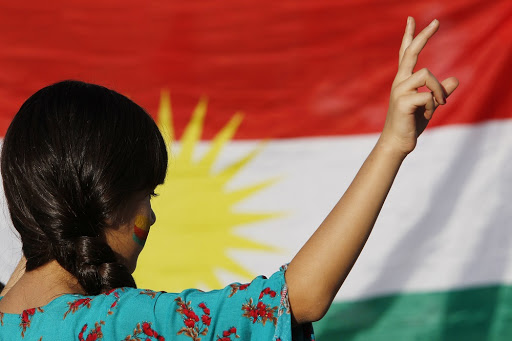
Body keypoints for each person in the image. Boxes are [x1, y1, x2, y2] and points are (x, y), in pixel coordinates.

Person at [0, 17, 458, 340]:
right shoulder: (120, 323)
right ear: (101, 195)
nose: (151, 217)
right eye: (146, 194)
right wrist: (392, 146)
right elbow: (299, 297)